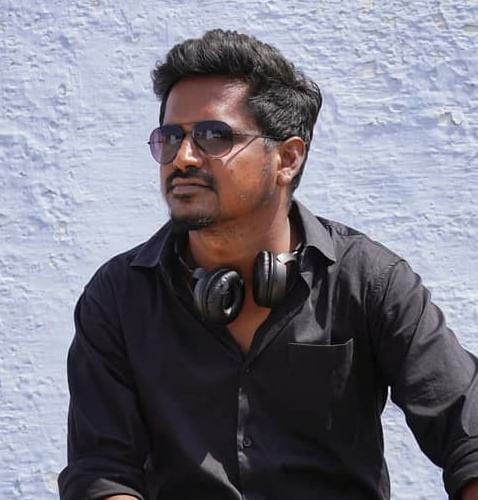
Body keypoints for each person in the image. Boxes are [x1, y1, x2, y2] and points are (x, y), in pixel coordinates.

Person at [58, 29, 478, 500]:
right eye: (170, 138)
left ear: (287, 158)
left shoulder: (368, 280)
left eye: (213, 136)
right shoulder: (119, 296)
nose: (183, 158)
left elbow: (469, 435)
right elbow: (102, 471)